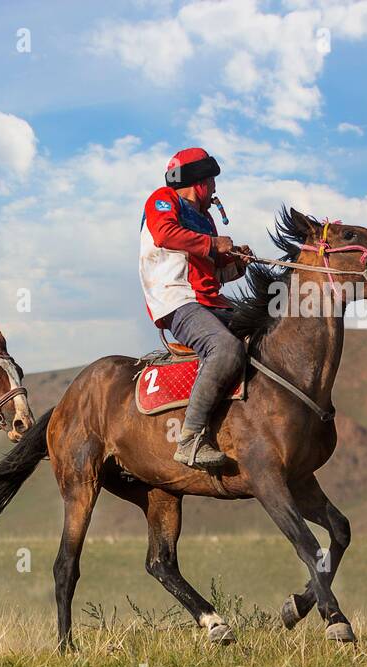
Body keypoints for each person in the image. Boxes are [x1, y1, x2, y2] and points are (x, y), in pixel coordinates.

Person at [139, 147, 252, 470]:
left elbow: (213, 271)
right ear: (199, 183)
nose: (215, 189)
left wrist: (236, 264)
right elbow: (164, 235)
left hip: (211, 302)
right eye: (212, 182)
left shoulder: (206, 220)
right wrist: (215, 245)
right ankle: (189, 440)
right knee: (226, 350)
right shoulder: (163, 200)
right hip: (176, 301)